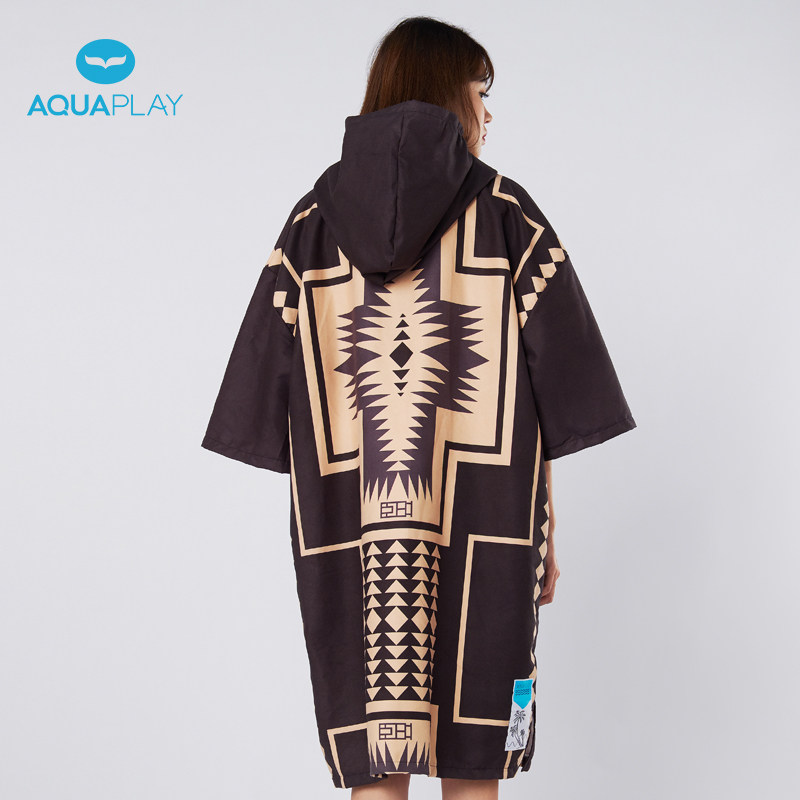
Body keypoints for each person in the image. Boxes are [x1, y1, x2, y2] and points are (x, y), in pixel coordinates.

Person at [201, 15, 636, 800]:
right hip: (490, 531)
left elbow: (260, 393)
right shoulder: (505, 214)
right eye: (481, 91)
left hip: (350, 531)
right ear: (448, 92)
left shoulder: (312, 225)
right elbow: (554, 394)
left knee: (377, 764)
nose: (489, 112)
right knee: (475, 765)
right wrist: (547, 534)